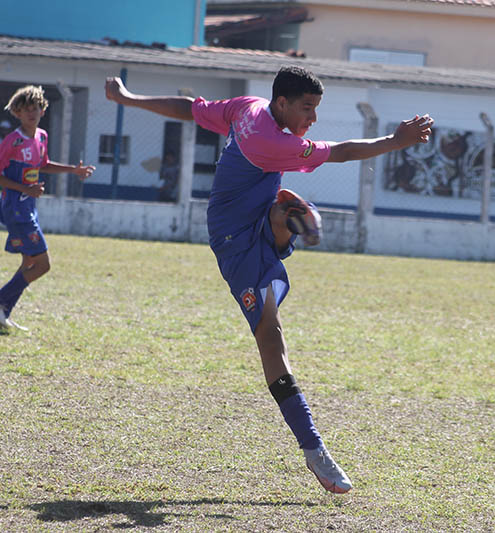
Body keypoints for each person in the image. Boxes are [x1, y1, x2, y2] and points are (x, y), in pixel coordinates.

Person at [104, 66, 433, 494]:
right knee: (270, 338)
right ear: (282, 102)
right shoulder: (273, 143)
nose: (313, 118)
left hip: (256, 218)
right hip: (235, 242)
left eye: (316, 109)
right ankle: (313, 449)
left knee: (279, 211)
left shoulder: (247, 108)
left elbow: (190, 108)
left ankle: (289, 220)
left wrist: (129, 99)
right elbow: (343, 151)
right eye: (307, 108)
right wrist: (395, 141)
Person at [0, 85, 95, 331]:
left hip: (29, 207)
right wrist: (25, 189)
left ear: (43, 110)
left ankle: (3, 312)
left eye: (36, 108)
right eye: (26, 110)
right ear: (17, 113)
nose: (32, 113)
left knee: (28, 262)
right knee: (43, 265)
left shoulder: (41, 137)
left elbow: (43, 165)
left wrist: (73, 170)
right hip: (15, 209)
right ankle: (1, 301)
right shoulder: (12, 141)